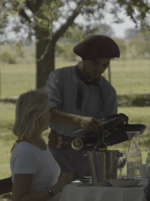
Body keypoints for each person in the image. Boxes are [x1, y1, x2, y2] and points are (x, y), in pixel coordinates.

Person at [10, 90, 99, 201]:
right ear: (39, 116)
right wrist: (56, 189)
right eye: (48, 111)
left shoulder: (39, 142)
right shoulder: (25, 151)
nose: (51, 115)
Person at [45, 35, 120, 178]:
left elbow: (110, 127)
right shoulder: (58, 78)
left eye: (105, 65)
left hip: (91, 159)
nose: (99, 69)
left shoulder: (108, 90)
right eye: (94, 63)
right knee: (60, 197)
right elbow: (48, 113)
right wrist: (79, 120)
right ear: (83, 58)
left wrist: (113, 129)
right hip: (57, 155)